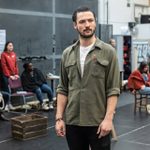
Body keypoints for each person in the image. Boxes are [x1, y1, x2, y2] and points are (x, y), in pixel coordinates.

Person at [55, 6, 120, 150]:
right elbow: (62, 88)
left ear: (95, 22)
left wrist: (108, 119)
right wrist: (59, 118)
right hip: (73, 122)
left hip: (98, 121)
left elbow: (113, 89)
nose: (87, 25)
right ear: (75, 25)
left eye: (90, 20)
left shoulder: (108, 52)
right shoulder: (67, 54)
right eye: (82, 21)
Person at [0, 41, 19, 109]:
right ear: (6, 46)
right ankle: (6, 105)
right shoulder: (3, 54)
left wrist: (16, 74)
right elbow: (4, 66)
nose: (11, 47)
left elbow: (15, 65)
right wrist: (9, 75)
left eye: (12, 46)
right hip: (5, 76)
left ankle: (9, 104)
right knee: (7, 91)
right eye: (9, 45)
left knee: (12, 90)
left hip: (13, 75)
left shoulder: (13, 54)